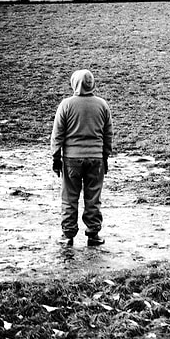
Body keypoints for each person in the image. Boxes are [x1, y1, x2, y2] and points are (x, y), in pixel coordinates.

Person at [51, 69, 113, 246]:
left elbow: (58, 135)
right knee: (93, 197)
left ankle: (68, 234)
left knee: (69, 197)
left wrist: (56, 158)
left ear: (74, 83)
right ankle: (93, 234)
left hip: (71, 159)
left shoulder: (66, 105)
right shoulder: (102, 105)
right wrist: (105, 157)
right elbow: (108, 135)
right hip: (96, 159)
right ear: (92, 83)